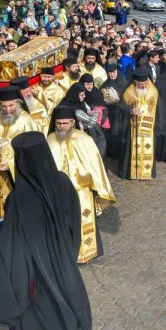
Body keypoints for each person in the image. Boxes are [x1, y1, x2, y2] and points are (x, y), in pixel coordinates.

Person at [0, 132, 92, 330]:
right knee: (65, 323)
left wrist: (2, 228)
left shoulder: (18, 198)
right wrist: (66, 255)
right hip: (63, 269)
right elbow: (75, 223)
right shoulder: (63, 183)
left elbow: (14, 244)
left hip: (34, 280)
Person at [47, 105, 116, 263]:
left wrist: (98, 187)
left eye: (65, 123)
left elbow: (96, 165)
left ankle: (86, 252)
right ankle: (65, 255)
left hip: (82, 191)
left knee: (83, 220)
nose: (62, 126)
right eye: (59, 123)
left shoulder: (84, 139)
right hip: (60, 192)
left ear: (73, 122)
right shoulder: (50, 140)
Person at [0, 85, 40, 223]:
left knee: (19, 213)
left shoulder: (26, 120)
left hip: (18, 175)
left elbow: (32, 152)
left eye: (10, 105)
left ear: (18, 103)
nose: (7, 110)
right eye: (3, 106)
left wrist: (10, 164)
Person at [115, 69, 162, 180]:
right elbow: (121, 108)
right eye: (140, 85)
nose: (143, 86)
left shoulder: (153, 90)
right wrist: (130, 111)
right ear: (135, 82)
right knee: (130, 149)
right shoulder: (128, 92)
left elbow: (158, 109)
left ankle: (147, 173)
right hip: (132, 128)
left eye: (145, 84)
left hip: (149, 128)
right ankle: (131, 173)